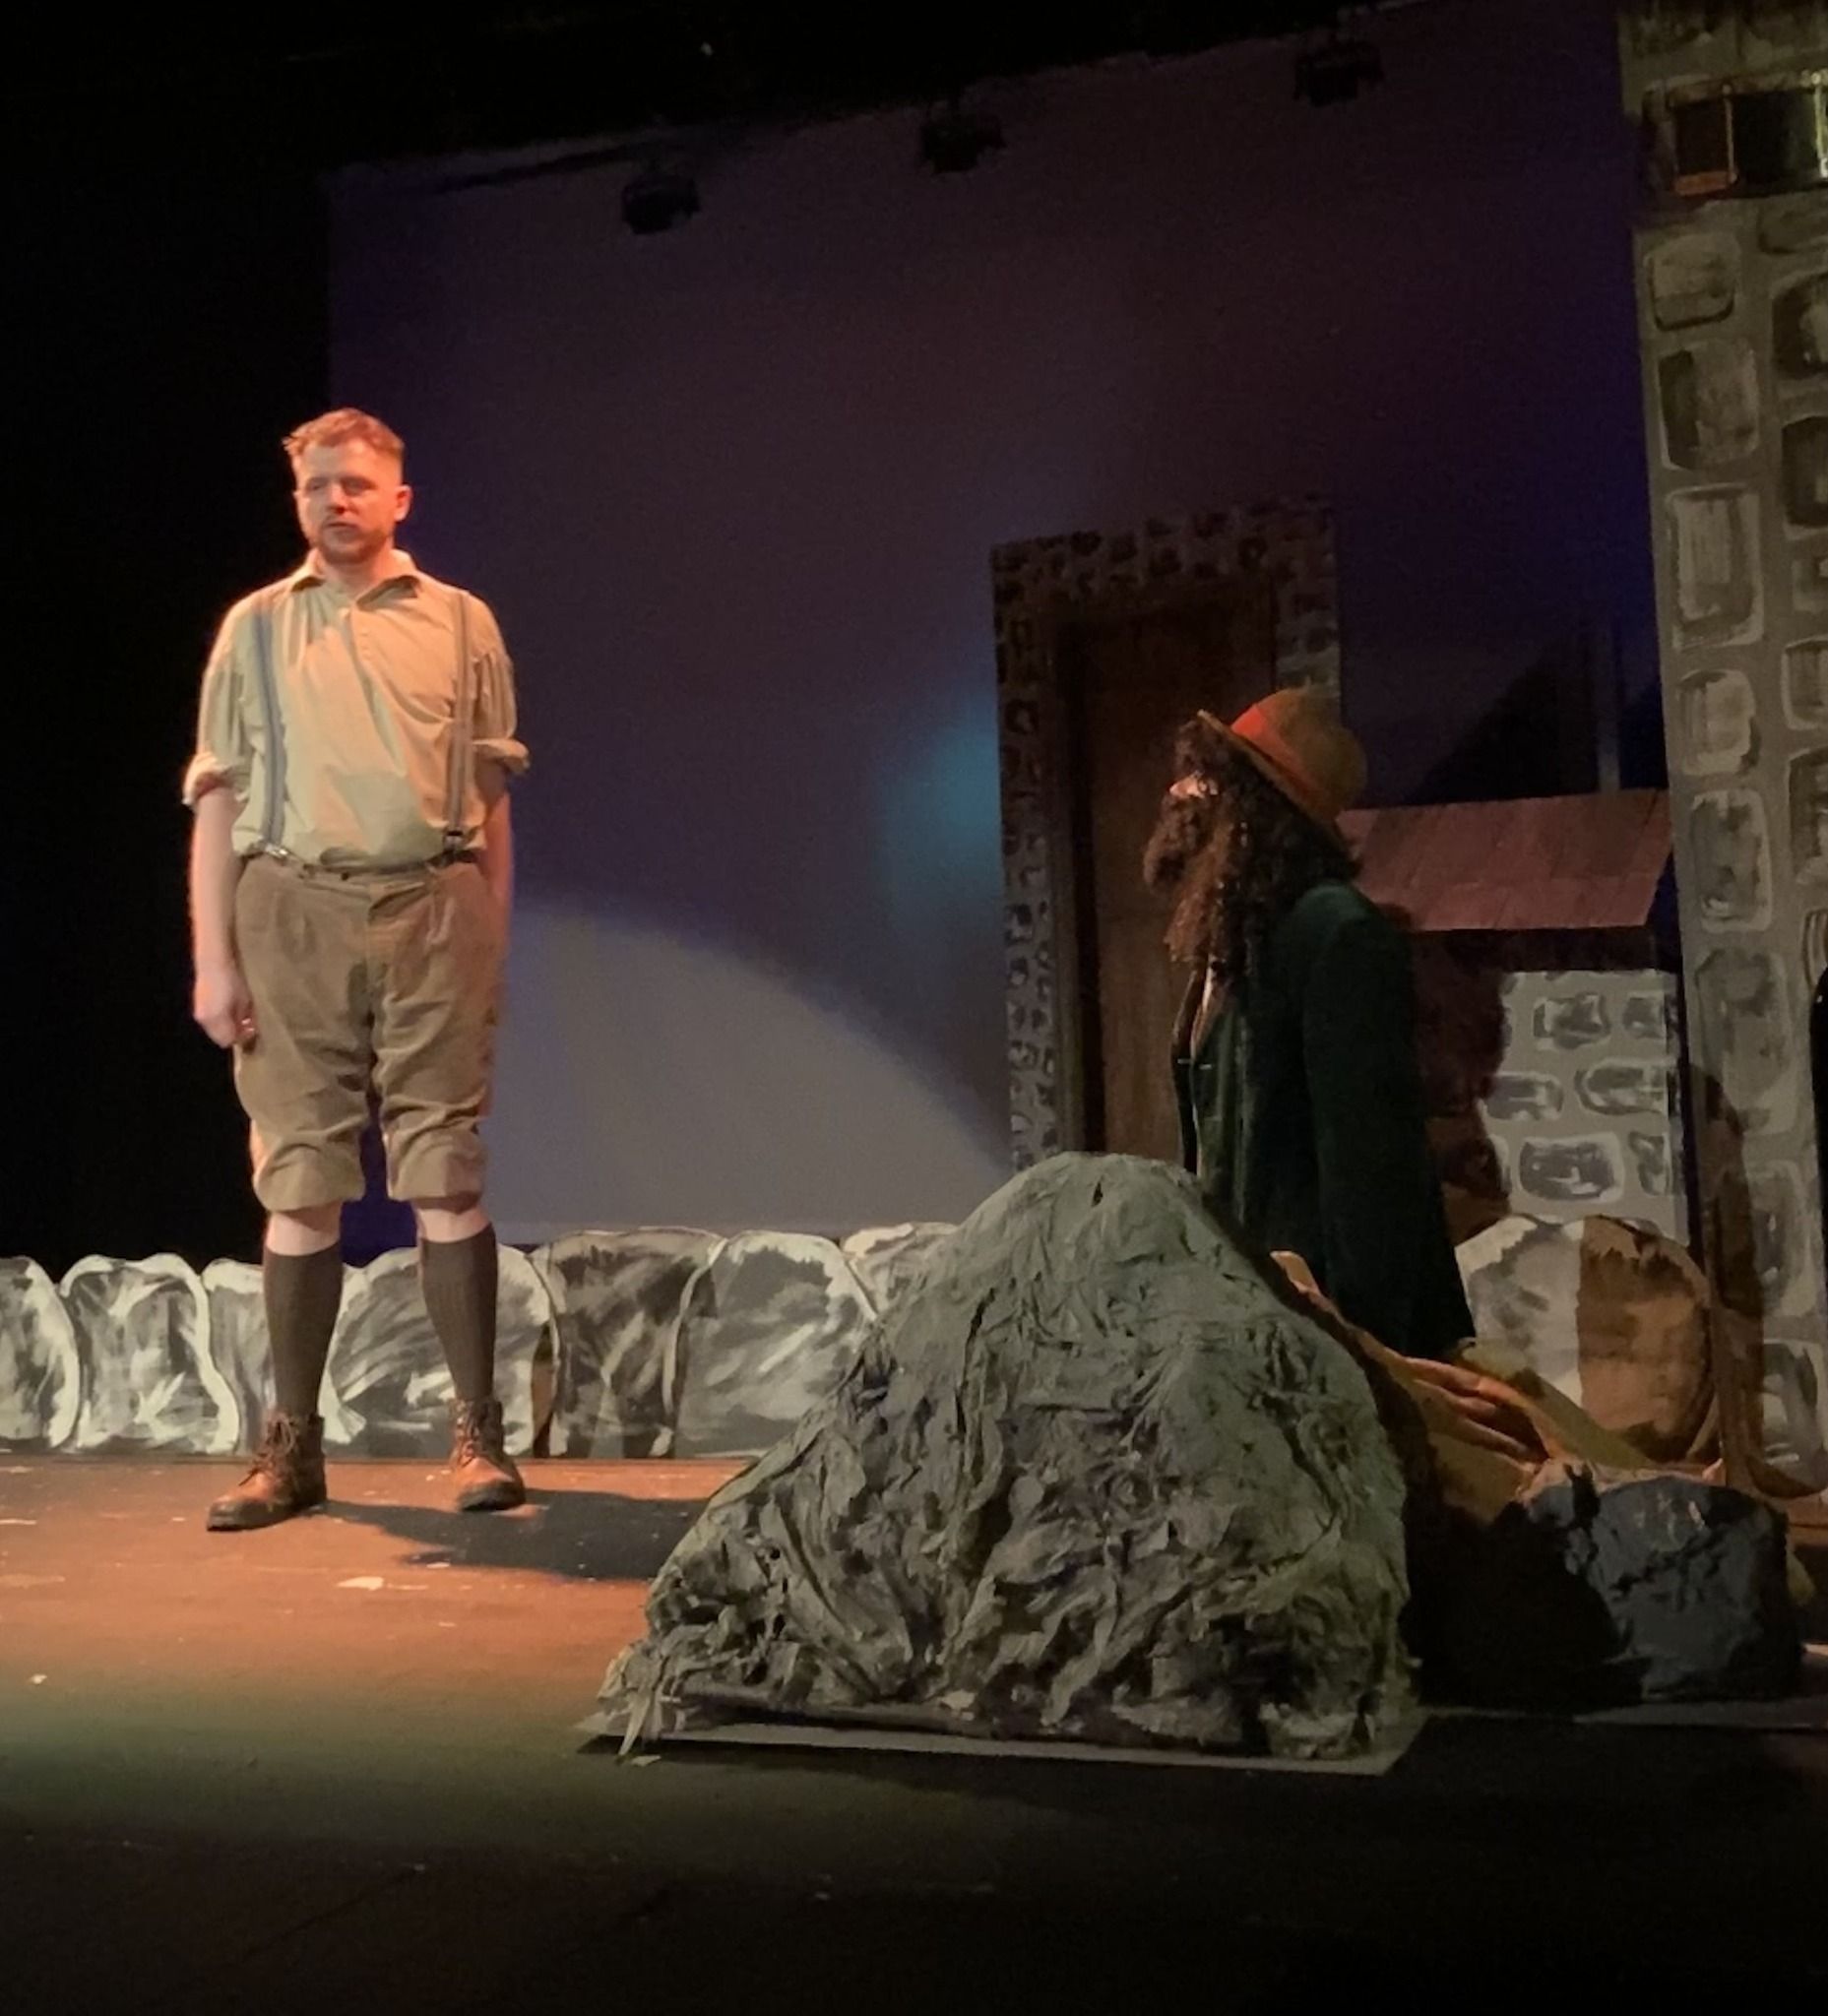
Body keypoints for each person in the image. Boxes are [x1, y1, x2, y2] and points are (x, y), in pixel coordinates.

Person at [184, 408, 529, 1529]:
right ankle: (290, 1448)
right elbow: (219, 797)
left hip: (433, 905)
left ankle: (476, 1434)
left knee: (445, 1166)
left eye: (356, 484)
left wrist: (488, 935)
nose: (336, 500)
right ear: (299, 500)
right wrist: (213, 961)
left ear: (398, 499)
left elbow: (490, 795)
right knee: (299, 1173)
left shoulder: (461, 621)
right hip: (292, 908)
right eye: (317, 485)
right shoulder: (254, 628)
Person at [1143, 688, 1473, 1359]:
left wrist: (1363, 1349)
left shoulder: (1336, 935)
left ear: (1253, 811)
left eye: (1209, 779)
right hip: (1252, 1316)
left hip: (1324, 1329)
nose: (1182, 793)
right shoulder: (1239, 941)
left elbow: (1371, 1169)